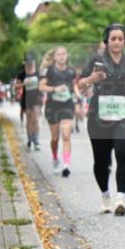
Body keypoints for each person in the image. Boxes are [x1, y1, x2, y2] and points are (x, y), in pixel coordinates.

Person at [77, 24, 125, 216]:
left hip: (124, 114)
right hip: (99, 115)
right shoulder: (96, 60)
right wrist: (92, 78)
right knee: (101, 160)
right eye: (113, 38)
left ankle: (120, 199)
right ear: (106, 41)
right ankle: (105, 196)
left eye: (120, 39)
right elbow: (81, 84)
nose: (116, 42)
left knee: (123, 154)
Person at [38, 46, 78, 177]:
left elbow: (74, 85)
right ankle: (55, 158)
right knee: (55, 138)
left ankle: (66, 165)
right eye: (59, 54)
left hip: (67, 104)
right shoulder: (48, 71)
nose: (61, 56)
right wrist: (55, 89)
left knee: (66, 135)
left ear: (66, 55)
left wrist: (78, 96)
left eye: (64, 54)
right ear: (55, 57)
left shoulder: (71, 71)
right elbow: (41, 86)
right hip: (52, 106)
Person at [17, 55, 42, 150]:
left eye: (31, 62)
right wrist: (24, 84)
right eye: (28, 63)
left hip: (36, 98)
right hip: (26, 99)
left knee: (35, 118)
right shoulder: (22, 74)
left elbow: (44, 84)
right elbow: (16, 86)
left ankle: (36, 140)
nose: (30, 64)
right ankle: (29, 139)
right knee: (29, 119)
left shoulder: (37, 73)